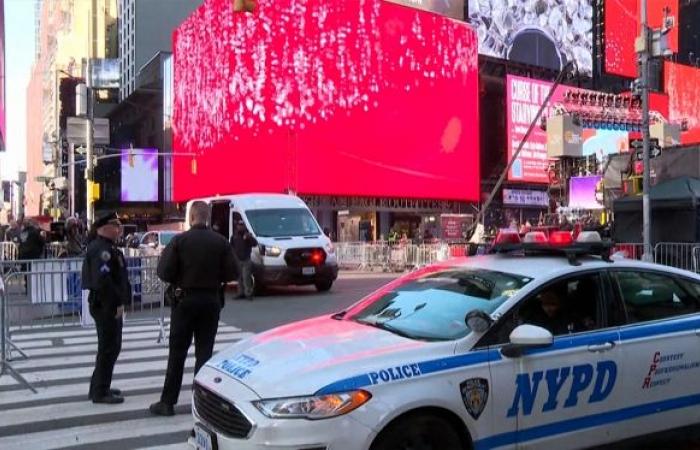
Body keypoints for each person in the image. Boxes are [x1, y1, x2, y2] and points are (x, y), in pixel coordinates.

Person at [150, 201, 236, 416]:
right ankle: (201, 402)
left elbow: (163, 272)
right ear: (207, 218)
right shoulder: (220, 242)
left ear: (191, 217)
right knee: (204, 353)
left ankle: (168, 402)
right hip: (210, 301)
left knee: (177, 353)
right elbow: (232, 272)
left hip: (184, 302)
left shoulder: (180, 241)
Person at [81, 212, 130, 404]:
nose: (118, 228)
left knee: (110, 347)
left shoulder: (106, 247)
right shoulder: (102, 250)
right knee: (109, 348)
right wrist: (117, 303)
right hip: (105, 305)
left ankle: (100, 386)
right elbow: (104, 282)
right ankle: (100, 391)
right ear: (103, 227)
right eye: (115, 224)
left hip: (105, 304)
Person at [231, 221, 258, 300]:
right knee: (239, 277)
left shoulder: (247, 235)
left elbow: (254, 243)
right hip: (237, 259)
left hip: (246, 259)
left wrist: (249, 238)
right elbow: (231, 246)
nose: (240, 227)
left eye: (242, 225)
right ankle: (240, 293)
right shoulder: (234, 236)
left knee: (246, 277)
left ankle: (248, 293)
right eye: (239, 225)